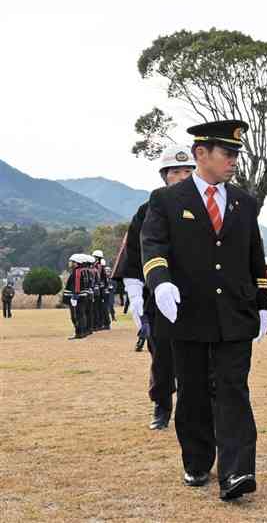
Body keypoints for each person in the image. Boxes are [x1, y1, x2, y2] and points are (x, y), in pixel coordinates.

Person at [141, 119, 267, 501]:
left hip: (234, 314)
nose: (233, 161)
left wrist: (262, 303)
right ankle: (197, 461)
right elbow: (153, 244)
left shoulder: (244, 203)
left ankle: (237, 472)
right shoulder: (166, 200)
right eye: (227, 153)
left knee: (233, 390)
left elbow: (255, 256)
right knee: (194, 392)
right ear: (201, 153)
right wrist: (160, 281)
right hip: (188, 314)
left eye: (235, 154)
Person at [117, 144, 197, 430]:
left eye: (188, 171)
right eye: (176, 172)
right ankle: (161, 406)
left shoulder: (210, 207)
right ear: (165, 176)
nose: (183, 177)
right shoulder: (148, 209)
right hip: (159, 293)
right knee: (162, 355)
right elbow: (134, 254)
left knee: (200, 359)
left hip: (198, 297)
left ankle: (197, 410)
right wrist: (135, 294)